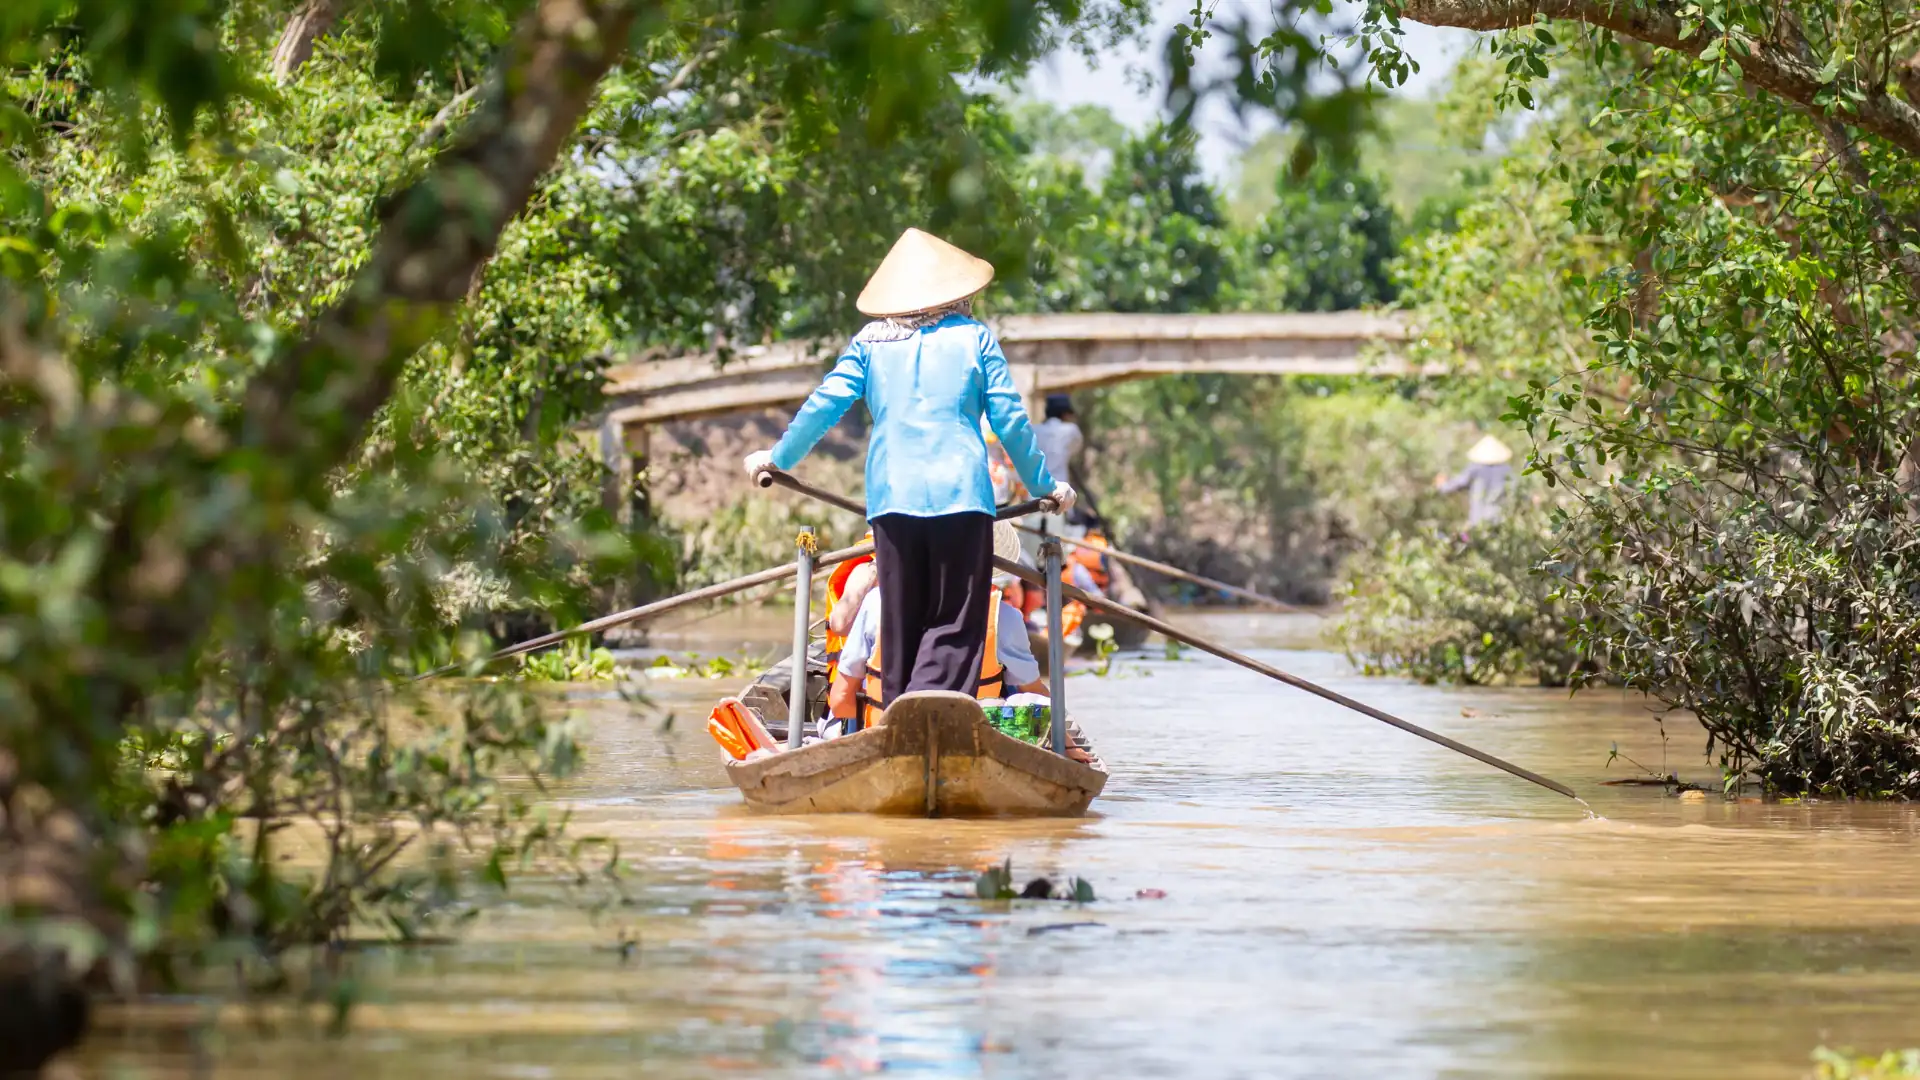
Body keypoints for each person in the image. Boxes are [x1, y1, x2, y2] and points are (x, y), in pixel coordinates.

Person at [744, 228, 1073, 709]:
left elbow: (824, 404)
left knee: (899, 620)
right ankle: (933, 712)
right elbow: (1009, 421)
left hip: (892, 499)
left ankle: (899, 711)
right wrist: (1046, 486)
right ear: (957, 295)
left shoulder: (869, 342)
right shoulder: (976, 339)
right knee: (955, 623)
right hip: (962, 499)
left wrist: (777, 458)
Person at [1435, 434, 1514, 531]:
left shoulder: (1474, 469)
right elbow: (1516, 491)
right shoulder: (1507, 471)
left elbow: (1455, 485)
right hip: (1500, 521)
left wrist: (1441, 485)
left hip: (1478, 522)